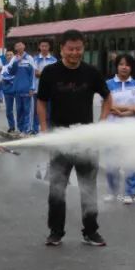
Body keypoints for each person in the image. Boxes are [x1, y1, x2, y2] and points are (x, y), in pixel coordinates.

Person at [37, 29, 114, 247]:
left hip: (86, 141)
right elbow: (41, 102)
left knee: (88, 187)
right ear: (61, 49)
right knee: (57, 188)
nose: (74, 53)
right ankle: (55, 232)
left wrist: (101, 123)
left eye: (78, 49)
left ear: (83, 49)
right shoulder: (50, 73)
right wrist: (44, 129)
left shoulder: (91, 73)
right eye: (70, 49)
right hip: (60, 140)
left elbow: (108, 97)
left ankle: (91, 231)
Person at [104, 53, 135, 204]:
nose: (124, 67)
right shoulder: (108, 84)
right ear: (116, 66)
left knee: (131, 163)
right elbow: (106, 106)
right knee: (111, 164)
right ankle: (113, 191)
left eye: (127, 65)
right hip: (111, 131)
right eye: (121, 64)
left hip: (131, 132)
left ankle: (130, 193)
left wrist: (122, 114)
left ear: (131, 68)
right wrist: (130, 109)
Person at [3, 42, 35, 134]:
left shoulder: (29, 58)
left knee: (27, 110)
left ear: (24, 46)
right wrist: (17, 61)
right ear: (15, 48)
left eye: (20, 45)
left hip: (27, 89)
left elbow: (32, 74)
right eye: (17, 46)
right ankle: (20, 129)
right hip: (17, 89)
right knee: (19, 110)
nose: (19, 47)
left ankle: (26, 130)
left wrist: (32, 88)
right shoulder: (14, 58)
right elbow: (10, 71)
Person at [31, 40, 58, 134]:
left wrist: (42, 73)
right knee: (37, 111)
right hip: (37, 89)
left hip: (50, 90)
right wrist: (47, 74)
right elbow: (35, 73)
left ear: (49, 47)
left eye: (46, 46)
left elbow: (54, 75)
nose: (44, 48)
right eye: (42, 46)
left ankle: (49, 129)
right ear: (39, 47)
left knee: (50, 111)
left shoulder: (54, 60)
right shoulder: (34, 59)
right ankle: (35, 129)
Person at [2, 51, 17, 131]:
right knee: (9, 110)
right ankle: (11, 126)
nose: (9, 56)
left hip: (17, 89)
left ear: (13, 56)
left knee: (20, 109)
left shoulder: (17, 65)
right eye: (7, 55)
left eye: (11, 54)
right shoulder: (4, 67)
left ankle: (22, 127)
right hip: (7, 91)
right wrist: (13, 79)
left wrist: (12, 79)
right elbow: (4, 77)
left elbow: (18, 77)